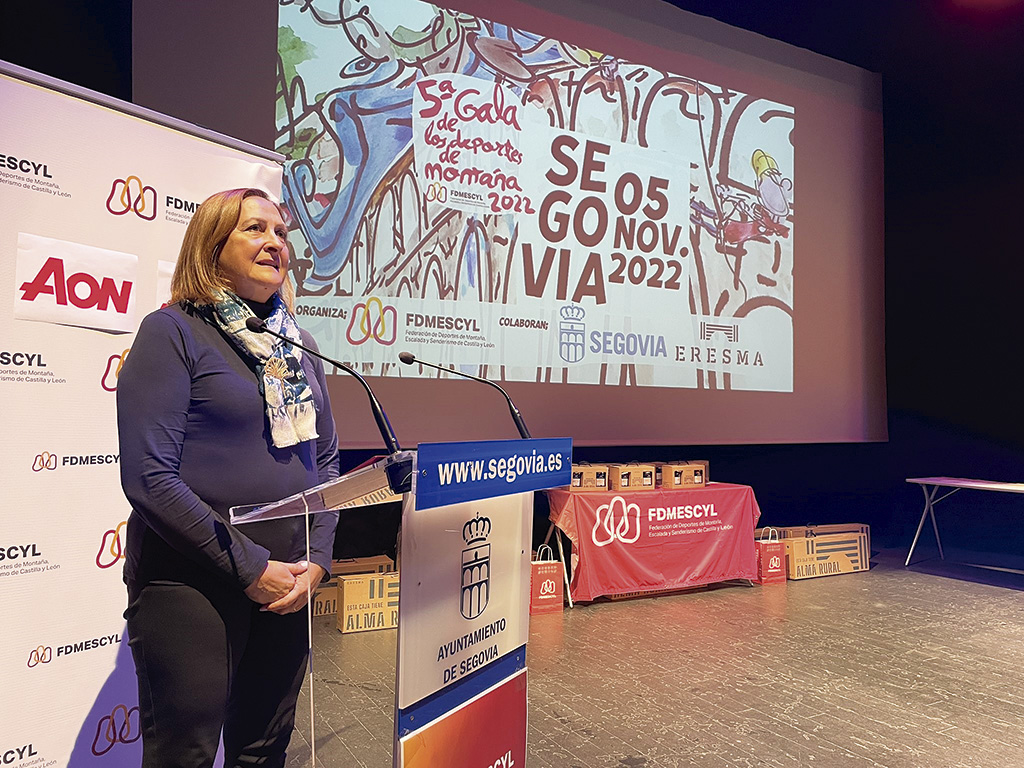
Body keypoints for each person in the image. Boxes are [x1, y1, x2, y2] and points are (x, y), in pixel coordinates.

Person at [117, 187, 340, 767]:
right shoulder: (173, 332)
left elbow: (328, 463)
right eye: (255, 229)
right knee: (184, 754)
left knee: (264, 749)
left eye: (282, 233)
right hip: (190, 579)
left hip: (289, 580)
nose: (274, 242)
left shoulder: (299, 345)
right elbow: (149, 479)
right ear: (212, 245)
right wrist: (250, 568)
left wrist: (317, 559)